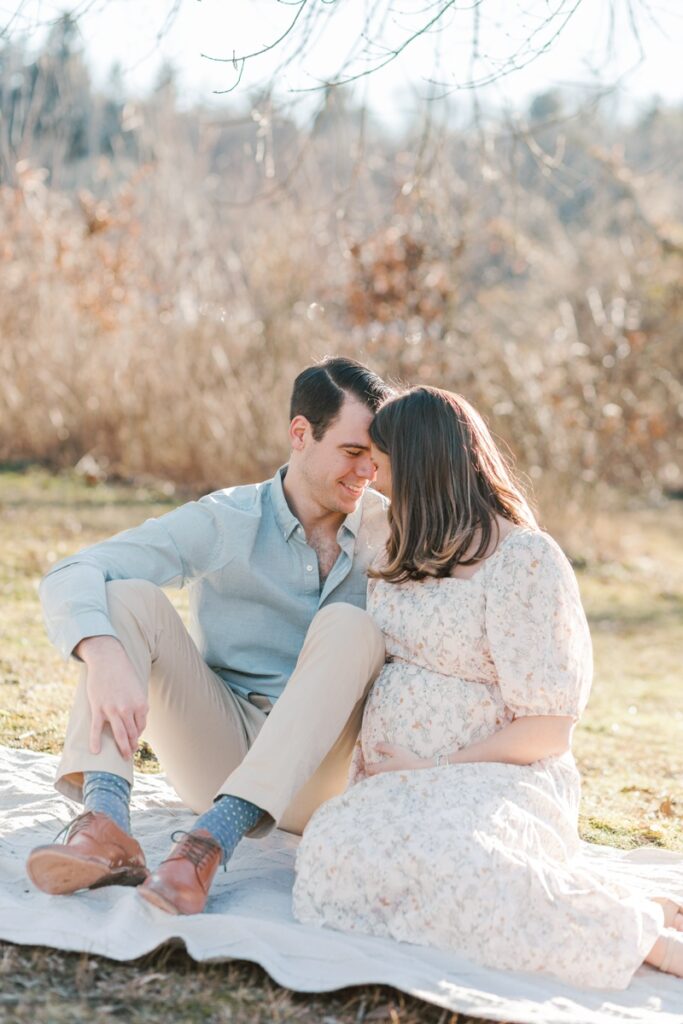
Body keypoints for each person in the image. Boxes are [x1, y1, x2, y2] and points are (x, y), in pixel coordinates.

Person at [293, 385, 683, 989]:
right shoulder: (401, 543)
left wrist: (435, 765)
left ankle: (642, 936)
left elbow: (548, 730)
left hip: (498, 774)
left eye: (381, 458)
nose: (371, 472)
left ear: (419, 464)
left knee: (466, 865)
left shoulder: (523, 561)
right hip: (401, 782)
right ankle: (602, 903)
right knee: (333, 851)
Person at [26, 357, 391, 915]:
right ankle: (106, 826)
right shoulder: (227, 520)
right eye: (352, 452)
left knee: (349, 625)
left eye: (375, 456)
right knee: (126, 596)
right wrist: (101, 654)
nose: (367, 472)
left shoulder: (393, 531)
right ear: (300, 434)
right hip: (221, 748)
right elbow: (75, 570)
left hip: (324, 772)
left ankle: (209, 843)